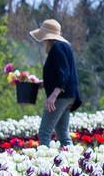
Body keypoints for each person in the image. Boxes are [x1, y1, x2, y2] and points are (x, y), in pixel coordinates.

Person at [30, 19, 80, 147]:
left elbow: (64, 74)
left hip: (60, 97)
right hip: (69, 96)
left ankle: (42, 162)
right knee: (63, 134)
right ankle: (73, 161)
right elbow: (60, 74)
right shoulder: (65, 47)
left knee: (44, 133)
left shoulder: (56, 48)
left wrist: (53, 95)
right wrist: (43, 83)